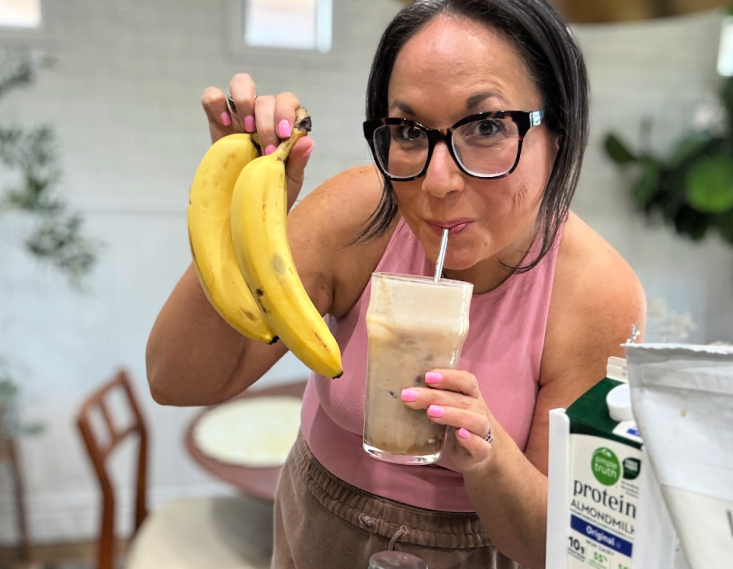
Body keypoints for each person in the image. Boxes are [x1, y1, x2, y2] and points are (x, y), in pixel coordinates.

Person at [146, 0, 645, 567]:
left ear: (558, 131)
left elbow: (561, 545)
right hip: (319, 537)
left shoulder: (597, 295)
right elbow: (176, 379)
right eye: (408, 131)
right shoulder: (360, 216)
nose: (437, 182)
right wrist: (245, 216)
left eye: (486, 127)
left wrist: (488, 457)